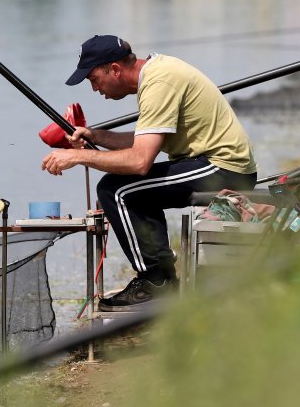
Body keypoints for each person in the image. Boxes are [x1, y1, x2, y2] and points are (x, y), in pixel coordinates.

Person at [41, 35, 258, 311]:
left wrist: (76, 156)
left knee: (116, 190)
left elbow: (140, 161)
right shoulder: (157, 73)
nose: (95, 88)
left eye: (94, 79)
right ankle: (162, 278)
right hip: (213, 163)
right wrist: (96, 136)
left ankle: (156, 282)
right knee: (129, 188)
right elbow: (145, 141)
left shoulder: (159, 83)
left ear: (115, 69)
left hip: (224, 168)